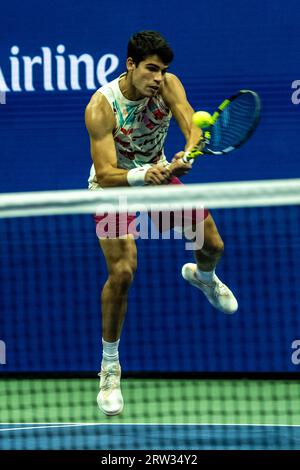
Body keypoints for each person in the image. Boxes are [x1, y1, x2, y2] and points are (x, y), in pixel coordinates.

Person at [85, 31, 238, 416]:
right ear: (130, 65)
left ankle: (203, 276)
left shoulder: (168, 85)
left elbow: (192, 124)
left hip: (159, 173)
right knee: (122, 272)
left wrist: (187, 150)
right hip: (115, 186)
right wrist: (141, 176)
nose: (158, 77)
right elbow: (104, 173)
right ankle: (109, 368)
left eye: (162, 70)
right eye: (151, 69)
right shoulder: (102, 106)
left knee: (213, 246)